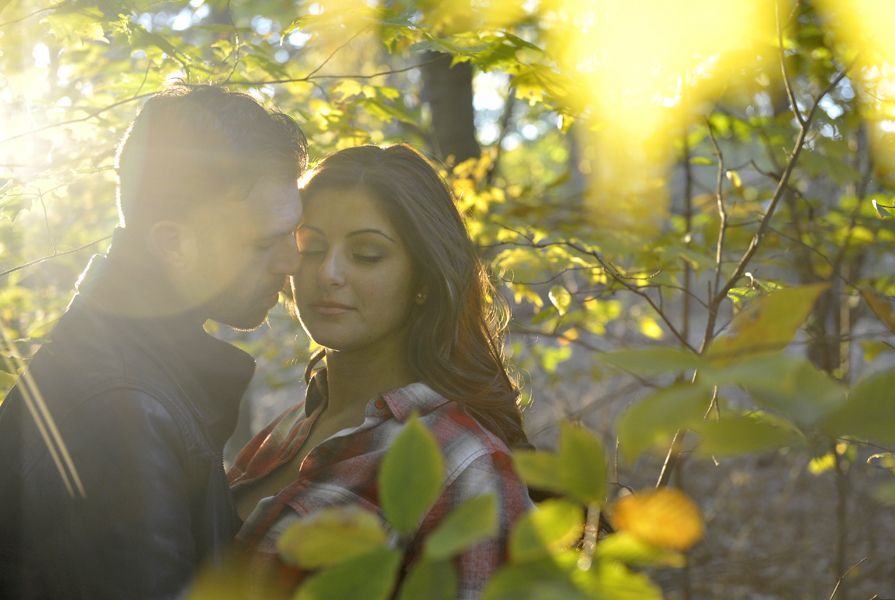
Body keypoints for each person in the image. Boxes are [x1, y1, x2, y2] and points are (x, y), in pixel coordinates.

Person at [0, 85, 307, 599]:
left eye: (292, 235)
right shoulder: (120, 409)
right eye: (262, 243)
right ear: (172, 243)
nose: (292, 263)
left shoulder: (124, 365)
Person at [227, 144, 532, 598]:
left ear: (424, 280)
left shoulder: (464, 465)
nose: (328, 273)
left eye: (367, 254)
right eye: (310, 247)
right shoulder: (289, 427)